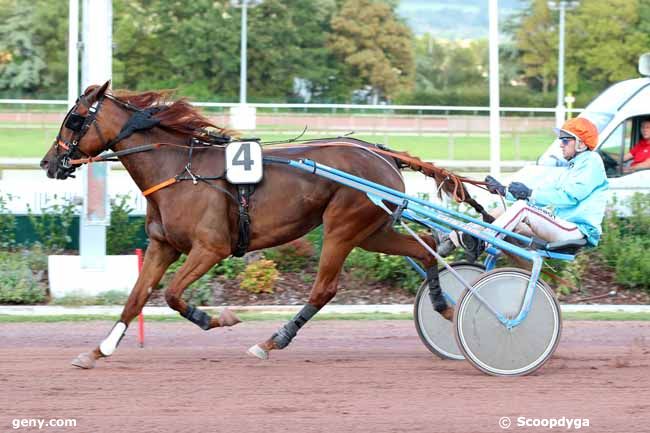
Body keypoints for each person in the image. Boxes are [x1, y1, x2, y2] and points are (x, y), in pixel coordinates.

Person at [437, 117, 609, 259]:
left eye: (565, 140)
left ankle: (482, 243)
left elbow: (569, 197)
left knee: (523, 209)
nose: (560, 144)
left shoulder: (591, 162)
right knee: (502, 210)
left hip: (577, 231)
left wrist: (530, 194)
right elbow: (541, 192)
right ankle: (452, 238)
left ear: (580, 144)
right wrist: (504, 191)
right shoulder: (571, 168)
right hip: (561, 226)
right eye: (560, 140)